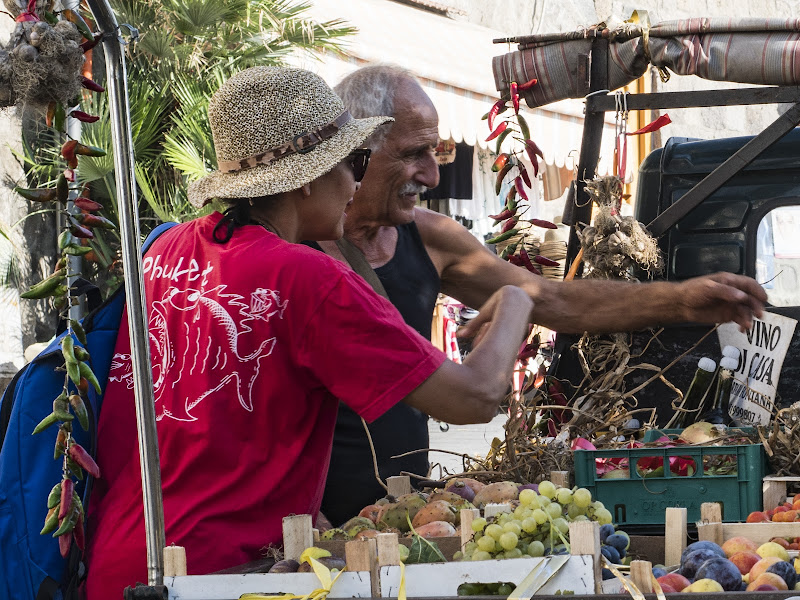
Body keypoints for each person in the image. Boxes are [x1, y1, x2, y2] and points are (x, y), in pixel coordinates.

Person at [83, 67, 533, 598]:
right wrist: (517, 299)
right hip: (218, 579)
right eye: (355, 162)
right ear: (307, 178)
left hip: (122, 563)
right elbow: (476, 396)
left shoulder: (166, 250)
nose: (357, 183)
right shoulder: (309, 278)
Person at [317, 64, 769, 525]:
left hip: (403, 513)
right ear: (358, 150)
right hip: (303, 527)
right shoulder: (291, 258)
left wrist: (678, 300)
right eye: (415, 154)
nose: (432, 176)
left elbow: (553, 300)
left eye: (435, 153)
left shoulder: (430, 239)